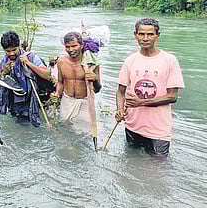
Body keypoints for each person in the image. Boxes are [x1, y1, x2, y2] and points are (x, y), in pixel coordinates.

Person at [115, 18, 184, 157]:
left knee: (158, 170)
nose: (145, 38)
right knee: (131, 163)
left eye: (150, 34)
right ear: (135, 35)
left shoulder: (169, 61)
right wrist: (119, 110)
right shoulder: (130, 60)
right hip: (132, 125)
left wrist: (141, 102)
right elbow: (120, 92)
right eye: (141, 34)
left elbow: (172, 97)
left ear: (157, 36)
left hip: (159, 130)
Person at [0, 30, 51, 127]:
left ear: (19, 46)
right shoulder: (5, 61)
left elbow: (47, 74)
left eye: (14, 50)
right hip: (14, 103)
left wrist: (29, 64)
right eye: (8, 51)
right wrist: (4, 71)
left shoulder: (31, 57)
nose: (11, 53)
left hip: (30, 100)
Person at [55, 32, 101, 125]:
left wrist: (94, 79)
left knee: (86, 132)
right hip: (67, 101)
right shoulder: (61, 62)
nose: (71, 50)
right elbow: (60, 82)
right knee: (64, 129)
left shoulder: (91, 64)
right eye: (67, 47)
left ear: (81, 45)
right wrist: (57, 94)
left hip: (85, 101)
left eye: (74, 46)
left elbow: (98, 89)